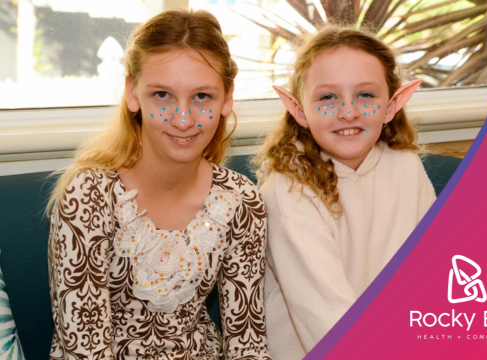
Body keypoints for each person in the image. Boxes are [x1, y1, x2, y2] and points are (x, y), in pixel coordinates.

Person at [47, 9, 272, 360]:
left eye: (202, 97)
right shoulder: (88, 196)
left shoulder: (241, 200)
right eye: (162, 95)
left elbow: (248, 343)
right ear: (132, 93)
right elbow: (85, 350)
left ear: (227, 98)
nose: (183, 119)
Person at [256, 25, 436, 359]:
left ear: (392, 104)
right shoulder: (288, 189)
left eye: (366, 95)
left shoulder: (405, 166)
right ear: (298, 110)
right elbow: (326, 320)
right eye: (327, 97)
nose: (348, 111)